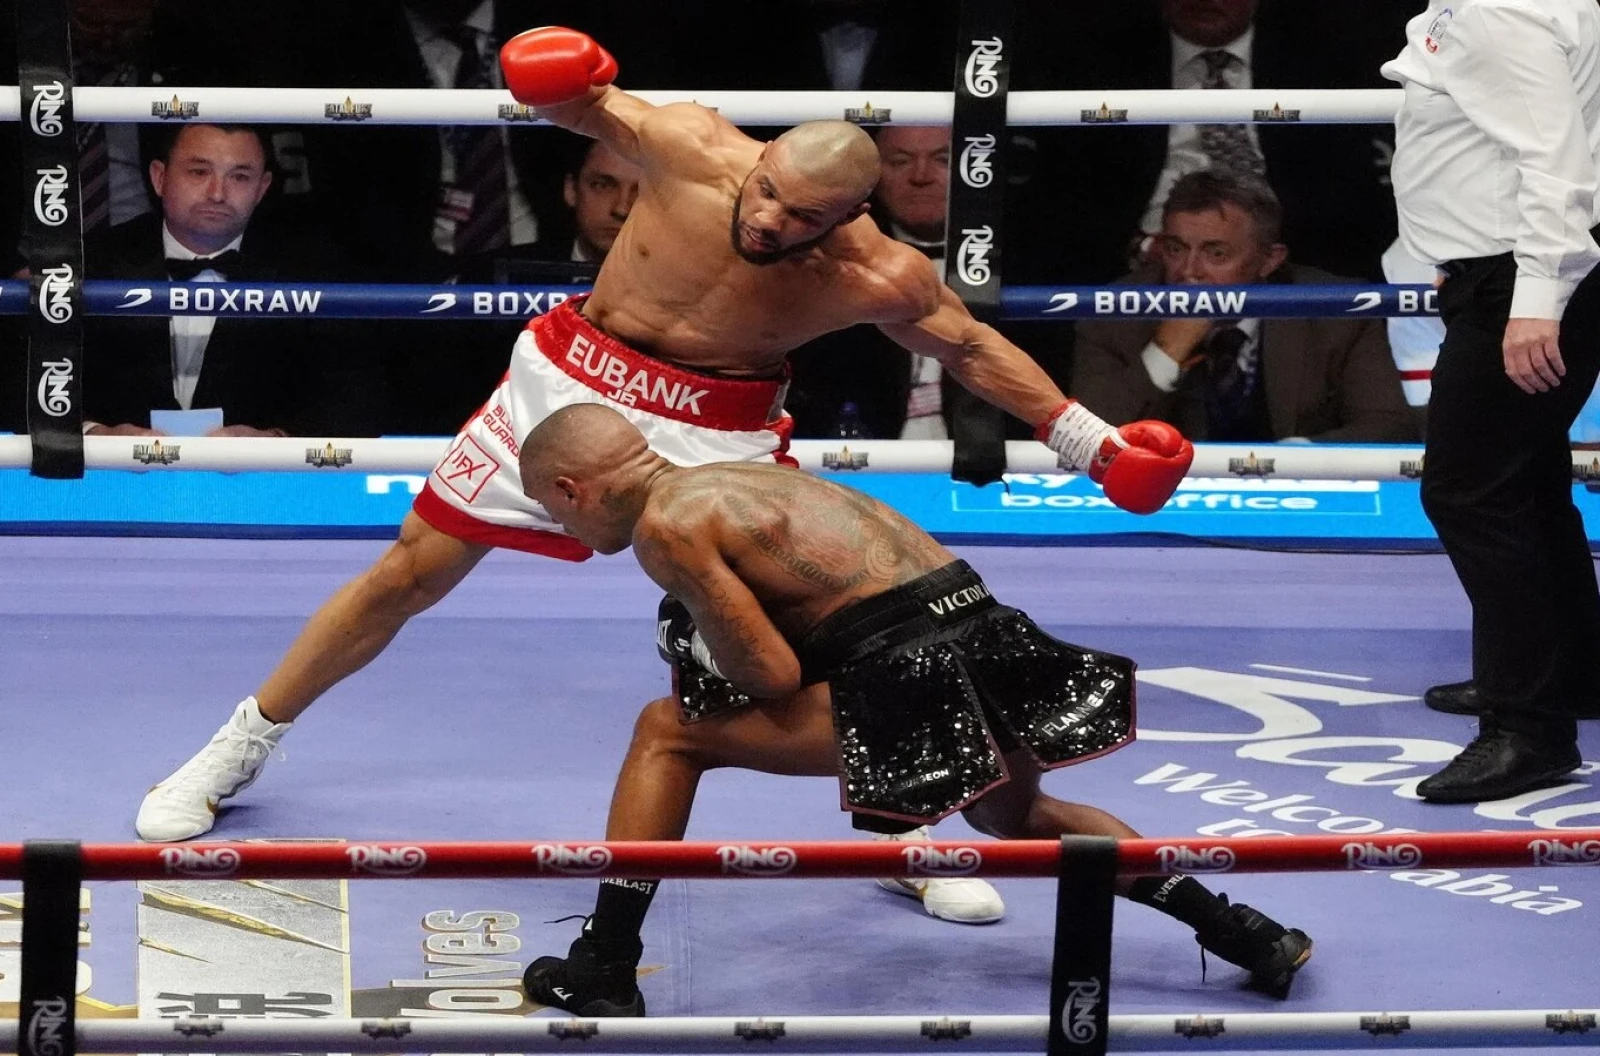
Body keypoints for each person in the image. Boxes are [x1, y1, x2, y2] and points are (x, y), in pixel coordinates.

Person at [134, 27, 1193, 849]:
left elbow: (967, 349)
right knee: (409, 571)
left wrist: (1093, 445)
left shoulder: (880, 278)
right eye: (767, 191)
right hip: (571, 379)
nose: (768, 221)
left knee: (821, 643)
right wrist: (550, 78)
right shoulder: (691, 146)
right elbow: (581, 103)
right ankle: (240, 745)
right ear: (762, 156)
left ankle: (900, 842)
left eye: (799, 219)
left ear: (845, 224)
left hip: (718, 430)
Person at [512, 404, 1310, 1016]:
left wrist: (709, 663)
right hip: (990, 632)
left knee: (666, 734)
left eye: (557, 512)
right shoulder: (747, 477)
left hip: (915, 665)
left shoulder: (668, 526)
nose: (566, 528)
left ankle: (606, 964)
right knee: (1016, 815)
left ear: (571, 489)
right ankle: (1244, 931)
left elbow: (774, 671)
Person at [1384, 0, 1600, 800]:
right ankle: (1569, 675)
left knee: (1471, 494)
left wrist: (1534, 295)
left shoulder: (1496, 7)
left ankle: (1528, 729)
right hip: (1503, 265)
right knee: (1528, 484)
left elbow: (1556, 158)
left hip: (1525, 277)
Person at [82, 123, 382, 437]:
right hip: (113, 480)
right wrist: (96, 435)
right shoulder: (94, 262)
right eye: (199, 172)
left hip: (261, 482)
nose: (217, 194)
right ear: (159, 178)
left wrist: (275, 441)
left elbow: (358, 400)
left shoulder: (313, 269)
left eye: (239, 177)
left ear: (262, 188)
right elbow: (38, 385)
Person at [1071, 170, 1415, 443]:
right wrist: (1164, 353)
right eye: (1175, 249)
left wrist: (1297, 462)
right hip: (1156, 505)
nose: (1189, 272)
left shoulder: (1338, 311)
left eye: (1215, 253)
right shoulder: (1113, 310)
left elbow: (1386, 425)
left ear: (1269, 260)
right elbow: (1086, 438)